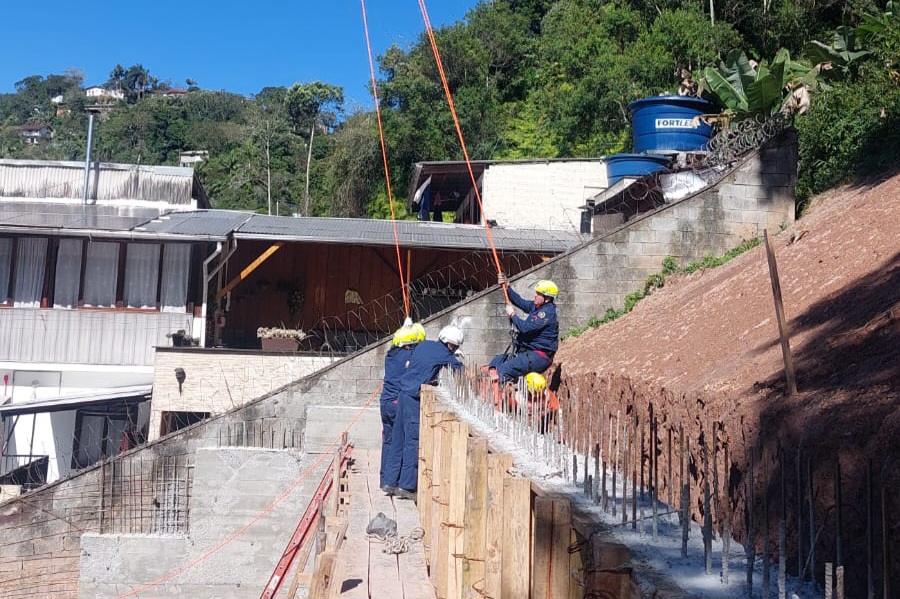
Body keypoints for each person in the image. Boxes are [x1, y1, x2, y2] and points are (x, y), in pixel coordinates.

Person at [382, 324, 465, 501]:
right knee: (412, 441)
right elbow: (459, 370)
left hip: (402, 394)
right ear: (451, 344)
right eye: (455, 347)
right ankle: (406, 486)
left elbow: (414, 362)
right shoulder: (445, 354)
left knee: (398, 438)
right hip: (414, 398)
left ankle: (389, 482)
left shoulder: (423, 345)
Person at [378, 321, 426, 490]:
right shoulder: (408, 358)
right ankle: (398, 482)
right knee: (403, 442)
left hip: (385, 402)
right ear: (408, 345)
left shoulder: (390, 356)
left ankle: (385, 479)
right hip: (398, 403)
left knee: (388, 442)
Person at [489, 279, 559, 385]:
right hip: (528, 352)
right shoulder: (537, 307)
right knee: (497, 362)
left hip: (539, 356)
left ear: (547, 298)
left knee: (505, 370)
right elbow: (520, 302)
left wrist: (512, 315)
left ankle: (503, 391)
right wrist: (507, 288)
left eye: (538, 294)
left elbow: (525, 328)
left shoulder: (546, 313)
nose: (535, 295)